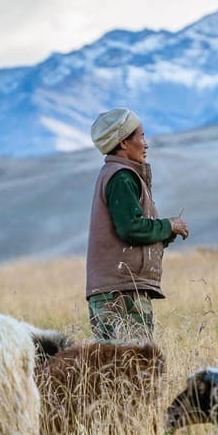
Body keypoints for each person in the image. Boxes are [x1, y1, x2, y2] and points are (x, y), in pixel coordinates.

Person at [85, 108, 188, 341]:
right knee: (134, 360)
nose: (146, 144)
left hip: (113, 290)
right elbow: (131, 228)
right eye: (141, 136)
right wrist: (169, 226)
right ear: (123, 142)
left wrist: (164, 235)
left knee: (112, 361)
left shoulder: (114, 174)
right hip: (122, 292)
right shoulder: (122, 177)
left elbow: (129, 232)